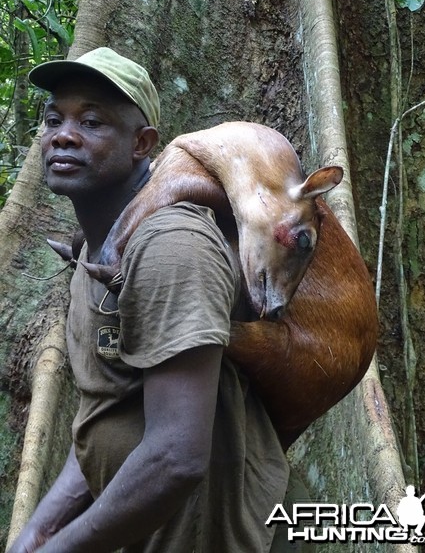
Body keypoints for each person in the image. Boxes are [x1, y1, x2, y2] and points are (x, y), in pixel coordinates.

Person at [7, 47, 291, 552]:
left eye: (92, 122)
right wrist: (39, 530)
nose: (63, 135)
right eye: (54, 120)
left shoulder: (171, 247)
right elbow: (105, 410)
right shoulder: (98, 250)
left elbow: (176, 456)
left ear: (143, 144)